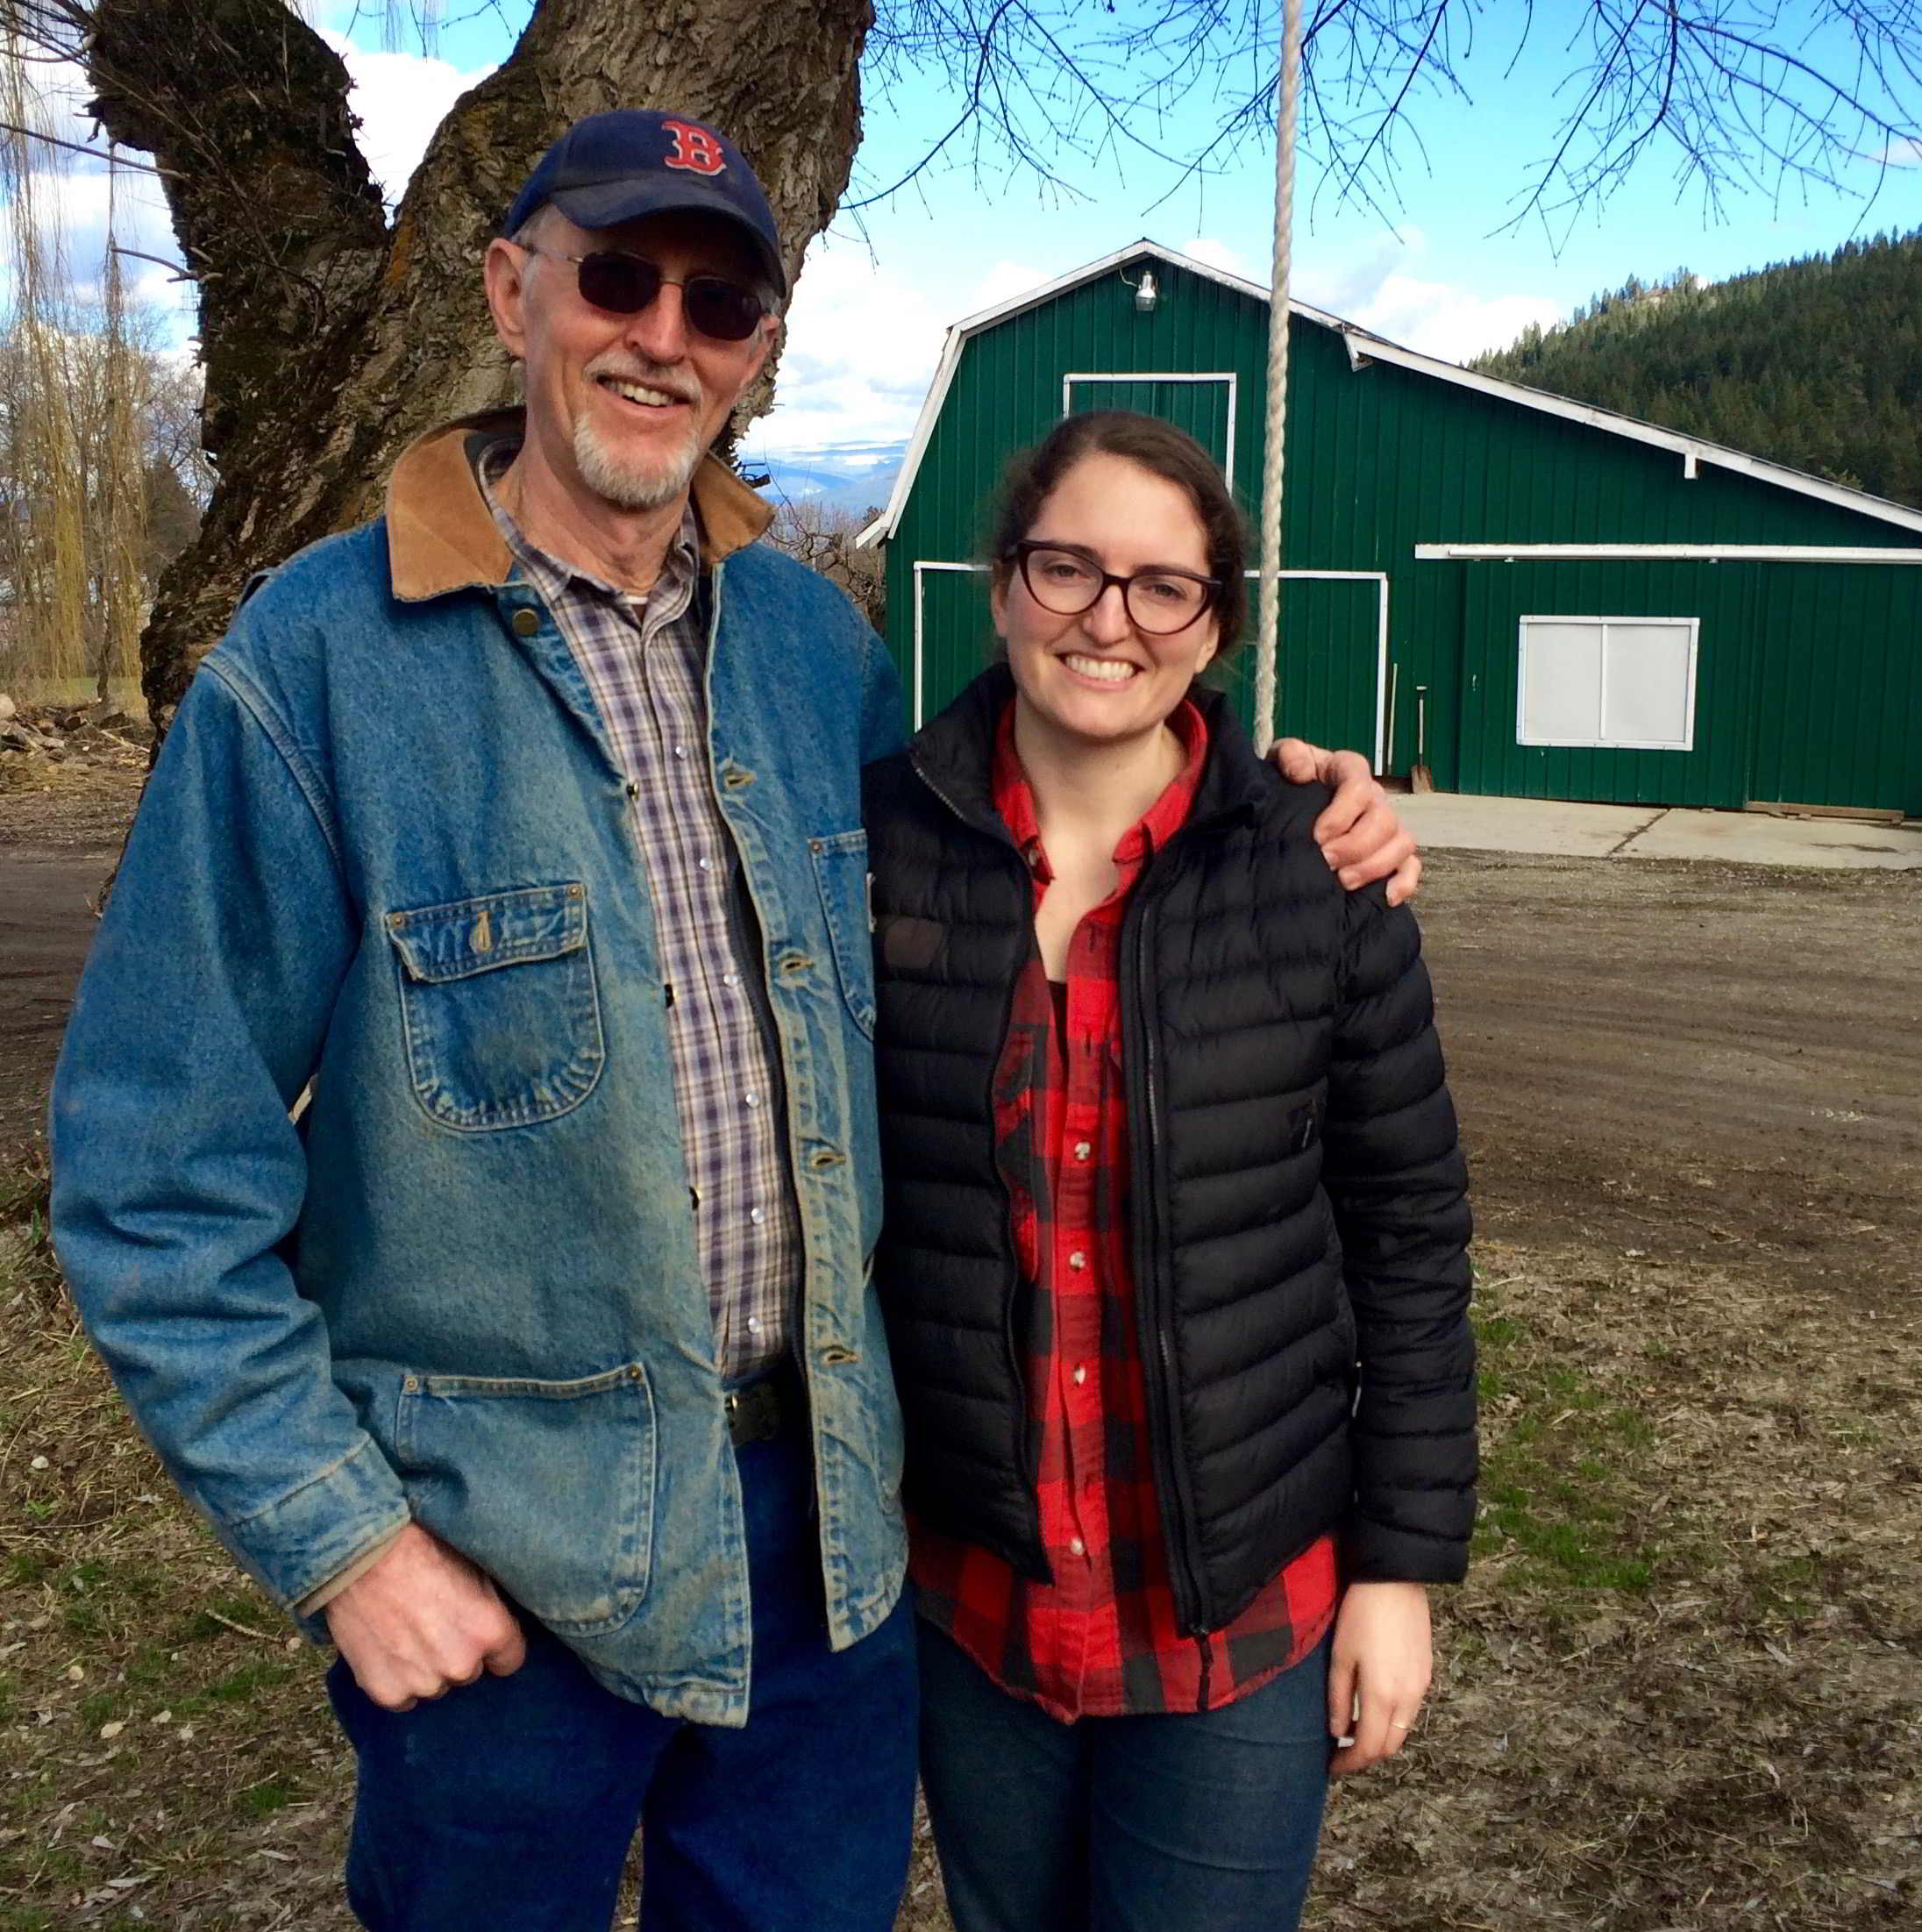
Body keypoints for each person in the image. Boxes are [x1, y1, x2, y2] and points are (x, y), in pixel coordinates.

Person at [49, 110, 1418, 1932]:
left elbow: (1034, 796)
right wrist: (346, 1539)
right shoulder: (315, 671)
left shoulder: (807, 648)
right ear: (511, 287)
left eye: (720, 300)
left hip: (834, 1547)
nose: (662, 334)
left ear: (759, 345)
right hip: (497, 1551)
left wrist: (1280, 798)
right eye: (617, 275)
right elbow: (154, 1174)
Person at [861, 410, 1476, 1932]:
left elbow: (1407, 1236)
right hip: (976, 1594)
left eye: (1161, 586)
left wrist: (1396, 1573)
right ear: (1003, 587)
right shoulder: (868, 849)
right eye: (1067, 568)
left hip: (1238, 1611)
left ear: (1217, 626)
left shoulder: (1316, 874)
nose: (1107, 621)